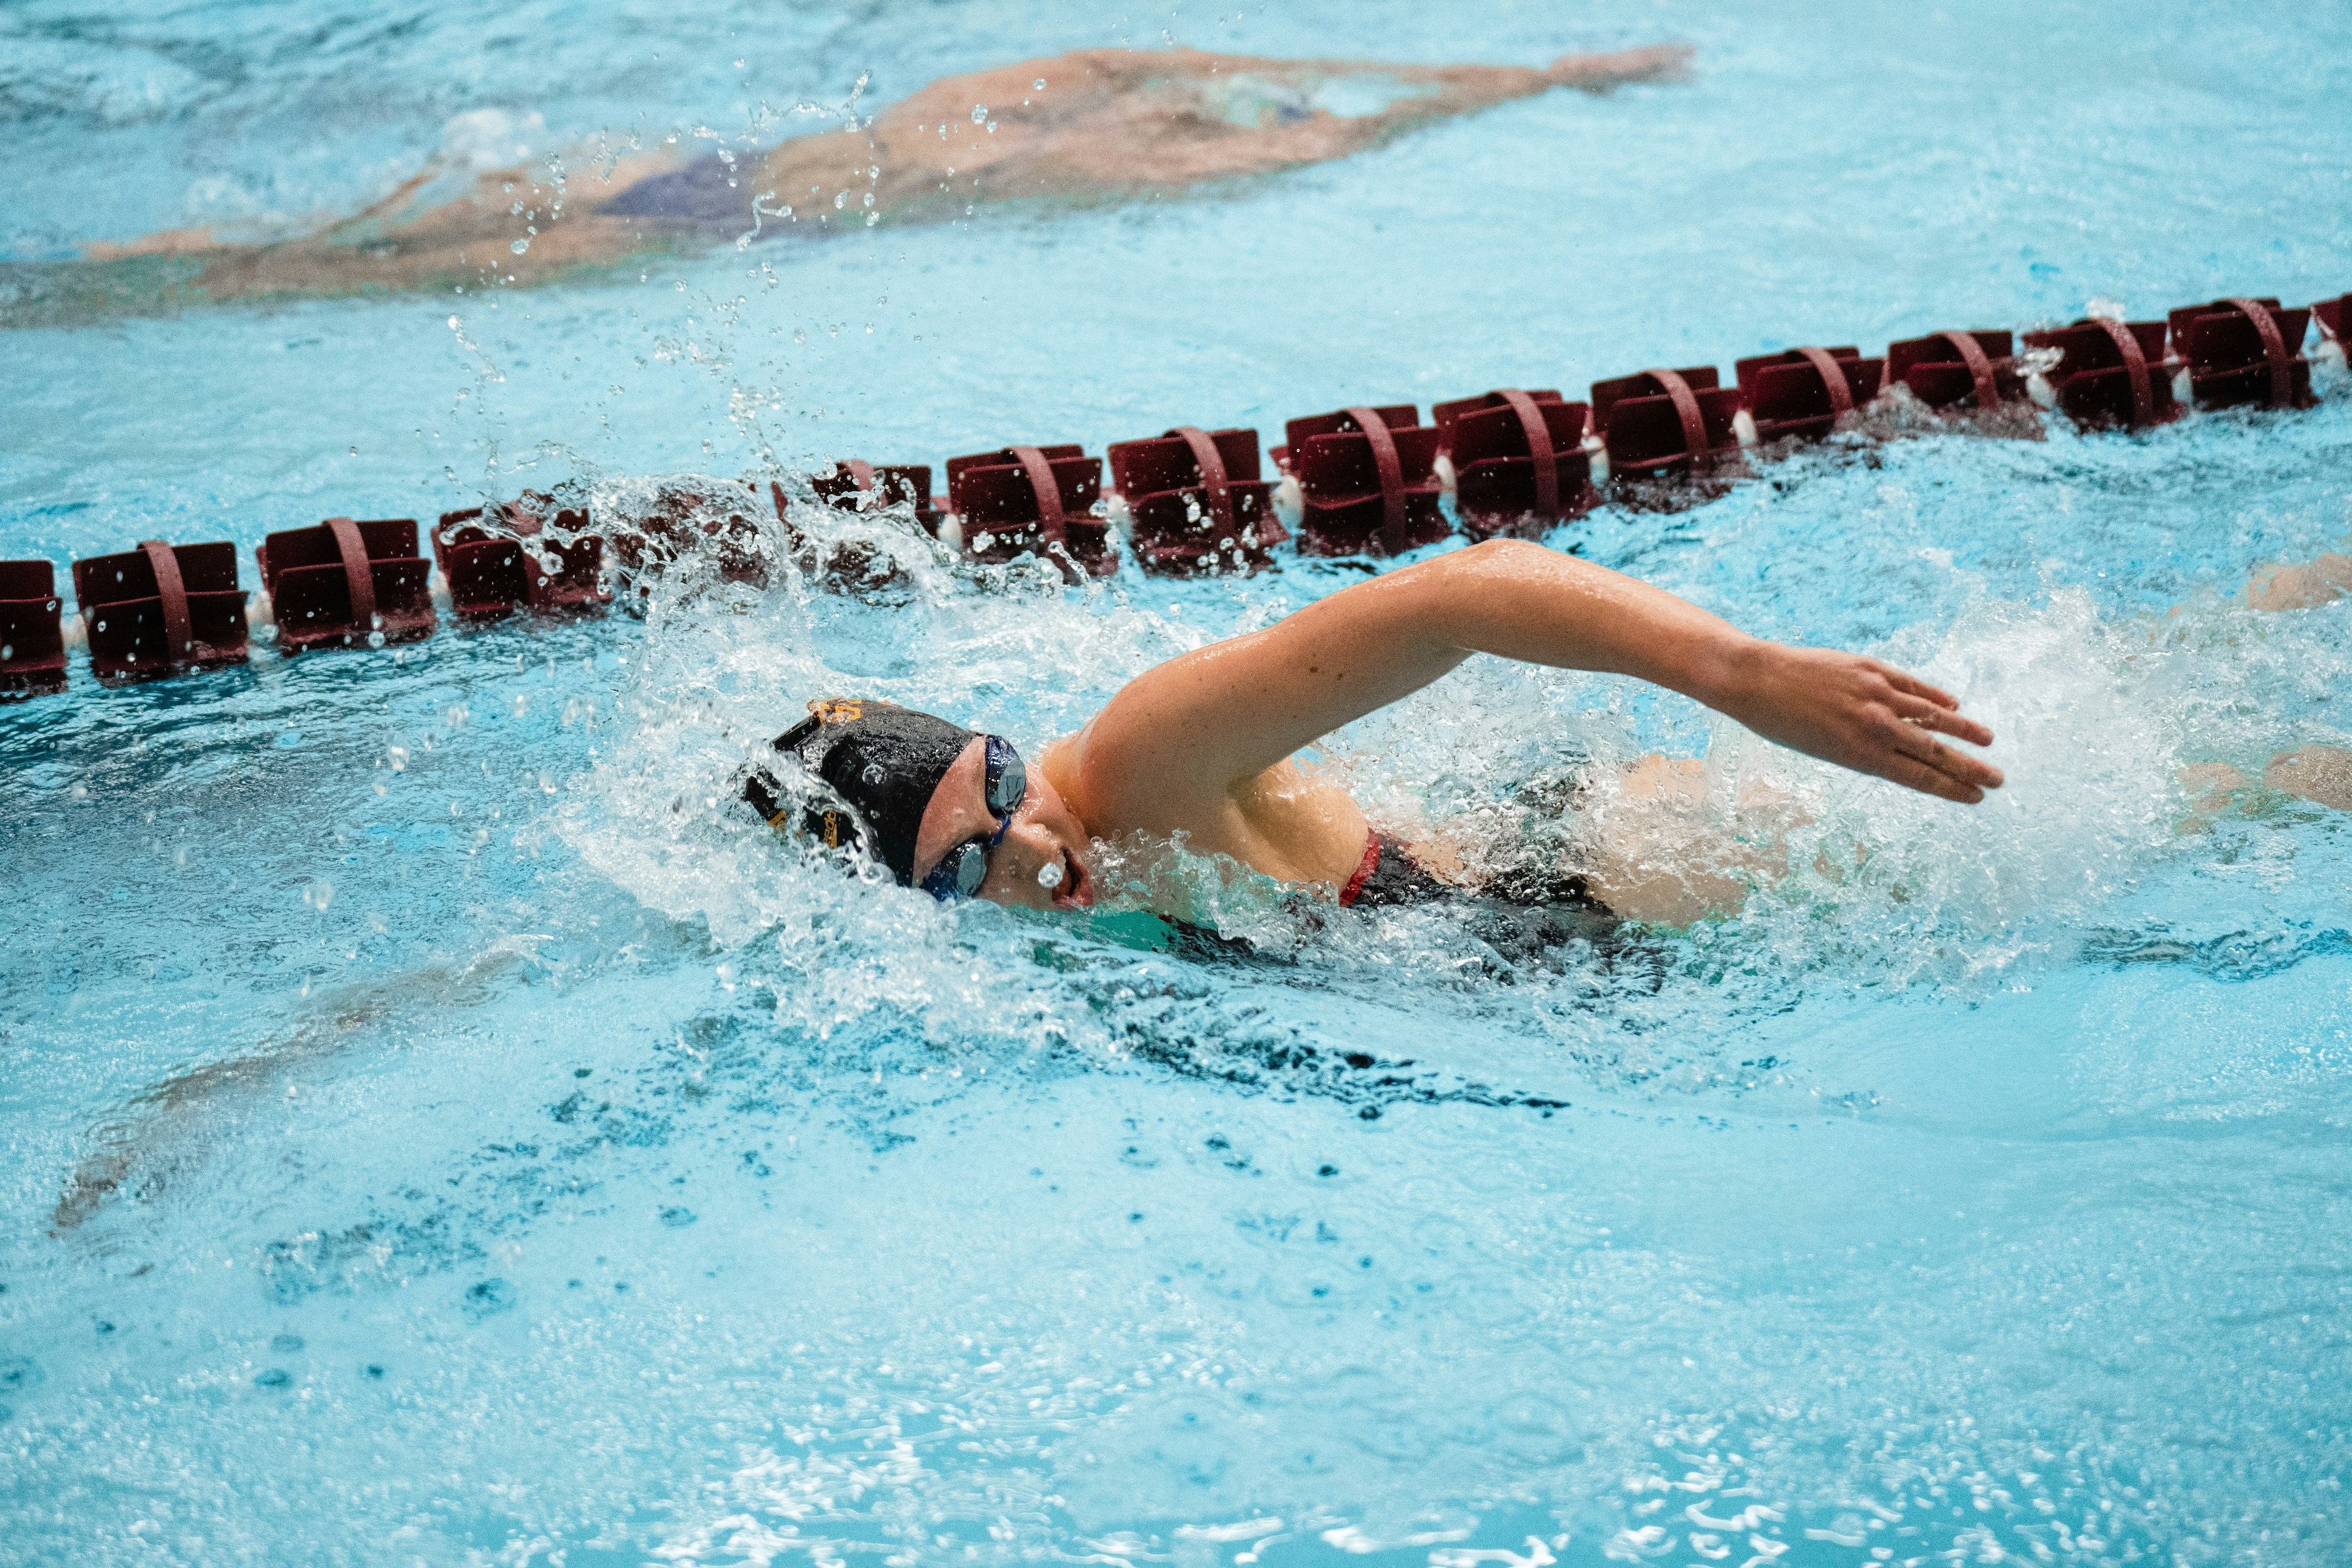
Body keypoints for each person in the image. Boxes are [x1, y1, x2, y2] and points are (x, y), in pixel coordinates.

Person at [742, 537, 2006, 923]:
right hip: (1540, 936)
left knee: (2059, 819)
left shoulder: (1142, 753)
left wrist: (1745, 672)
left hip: (1606, 863)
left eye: (1005, 788)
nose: (1028, 850)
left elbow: (1456, 594)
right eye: (967, 868)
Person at [33, 44, 1688, 320]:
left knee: (320, 248)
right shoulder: (1160, 153)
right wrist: (1546, 82)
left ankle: (83, 274)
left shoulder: (1078, 82)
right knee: (346, 275)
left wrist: (1524, 73)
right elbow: (1380, 120)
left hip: (702, 172)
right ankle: (72, 298)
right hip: (743, 218)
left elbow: (1375, 94)